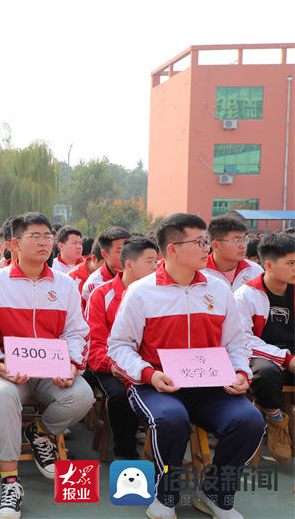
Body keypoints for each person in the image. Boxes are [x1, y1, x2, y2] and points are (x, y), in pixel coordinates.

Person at [107, 213, 265, 519]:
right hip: (156, 386)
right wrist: (149, 374)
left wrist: (241, 372)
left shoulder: (218, 290)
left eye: (207, 241)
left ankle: (216, 492)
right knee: (171, 418)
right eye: (200, 242)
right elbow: (119, 347)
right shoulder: (142, 292)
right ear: (172, 250)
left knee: (250, 421)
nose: (207, 248)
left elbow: (236, 342)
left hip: (210, 386)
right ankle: (165, 492)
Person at [0, 212, 93, 519]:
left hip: (53, 370)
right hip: (11, 371)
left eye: (48, 236)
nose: (43, 242)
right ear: (13, 244)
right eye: (34, 236)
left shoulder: (65, 285)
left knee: (82, 395)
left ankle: (38, 432)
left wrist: (72, 366)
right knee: (2, 396)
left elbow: (76, 331)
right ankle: (11, 483)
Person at [85, 236, 158, 460]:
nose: (156, 267)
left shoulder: (159, 293)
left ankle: (163, 452)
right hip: (109, 366)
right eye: (150, 261)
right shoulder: (101, 294)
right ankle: (125, 452)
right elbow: (94, 344)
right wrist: (113, 366)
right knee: (121, 395)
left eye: (157, 261)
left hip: (148, 365)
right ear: (129, 264)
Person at [234, 232, 295, 463]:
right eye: (291, 263)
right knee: (265, 373)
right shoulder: (245, 295)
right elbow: (243, 340)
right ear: (268, 265)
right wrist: (286, 358)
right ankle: (276, 419)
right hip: (262, 355)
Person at [203, 215, 264, 290]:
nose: (243, 246)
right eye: (237, 240)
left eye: (244, 239)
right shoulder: (201, 272)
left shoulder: (254, 271)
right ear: (216, 245)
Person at [81, 226, 131, 304]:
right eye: (120, 251)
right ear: (105, 254)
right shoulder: (95, 285)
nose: (127, 255)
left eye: (129, 250)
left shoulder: (140, 273)